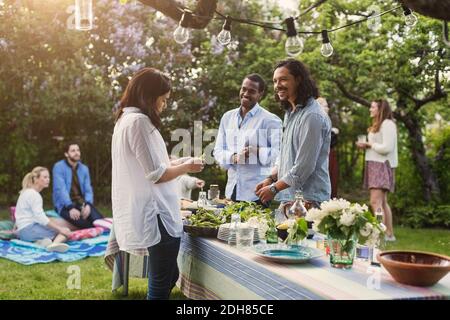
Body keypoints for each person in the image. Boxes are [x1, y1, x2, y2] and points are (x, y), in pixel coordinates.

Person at [111, 67, 204, 300]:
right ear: (150, 96)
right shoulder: (139, 122)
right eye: (164, 99)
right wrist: (187, 168)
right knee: (161, 286)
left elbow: (157, 163)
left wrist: (183, 161)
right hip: (156, 214)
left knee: (169, 274)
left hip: (152, 210)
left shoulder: (126, 120)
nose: (164, 104)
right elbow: (156, 174)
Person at [255, 58, 331, 217]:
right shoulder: (290, 113)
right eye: (275, 81)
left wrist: (274, 188)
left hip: (308, 201)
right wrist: (270, 178)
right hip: (289, 197)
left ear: (298, 80)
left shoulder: (312, 116)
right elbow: (285, 154)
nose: (277, 85)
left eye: (283, 79)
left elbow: (304, 166)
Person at [213, 73, 282, 206]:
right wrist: (234, 157)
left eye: (252, 91)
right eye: (243, 89)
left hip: (257, 193)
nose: (246, 93)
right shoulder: (227, 117)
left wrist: (257, 151)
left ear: (260, 94)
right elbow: (218, 151)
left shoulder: (270, 120)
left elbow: (279, 155)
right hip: (232, 190)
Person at [356, 99, 397, 241]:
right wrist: (368, 145)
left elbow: (387, 148)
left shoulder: (388, 124)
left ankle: (379, 234)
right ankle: (389, 234)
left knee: (375, 202)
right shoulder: (379, 124)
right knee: (382, 202)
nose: (370, 109)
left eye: (373, 107)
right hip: (374, 164)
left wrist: (370, 144)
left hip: (381, 165)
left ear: (381, 109)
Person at [15, 167, 72, 252]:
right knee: (66, 231)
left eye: (48, 177)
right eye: (45, 177)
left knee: (52, 226)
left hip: (22, 233)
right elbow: (40, 218)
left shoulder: (25, 192)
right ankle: (54, 245)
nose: (48, 180)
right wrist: (60, 229)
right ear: (36, 179)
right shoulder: (34, 195)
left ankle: (40, 242)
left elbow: (20, 214)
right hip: (30, 230)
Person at [52, 143, 104, 229]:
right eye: (73, 151)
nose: (76, 153)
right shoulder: (58, 167)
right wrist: (70, 207)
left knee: (99, 221)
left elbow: (88, 189)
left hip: (81, 203)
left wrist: (88, 204)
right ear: (66, 154)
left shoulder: (84, 168)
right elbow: (60, 189)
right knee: (86, 225)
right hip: (65, 205)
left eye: (78, 150)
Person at [317, 97, 339, 199]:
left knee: (333, 182)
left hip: (331, 156)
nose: (328, 108)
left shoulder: (327, 120)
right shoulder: (316, 120)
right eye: (325, 106)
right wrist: (333, 132)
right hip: (322, 157)